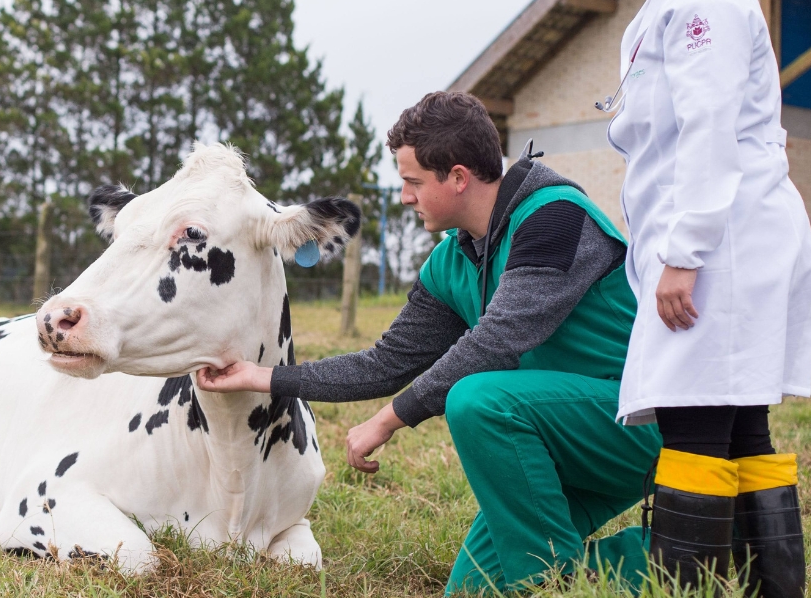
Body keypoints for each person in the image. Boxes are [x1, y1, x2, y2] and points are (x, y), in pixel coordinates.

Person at [198, 91, 662, 594]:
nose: (404, 196)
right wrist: (262, 377)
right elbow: (385, 364)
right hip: (553, 436)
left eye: (412, 181)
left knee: (479, 401)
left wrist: (389, 418)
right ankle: (676, 559)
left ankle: (558, 585)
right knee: (471, 590)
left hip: (632, 423)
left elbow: (499, 341)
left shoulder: (555, 217)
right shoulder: (452, 261)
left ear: (458, 177)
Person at [572, 0, 811, 597]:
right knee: (740, 429)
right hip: (721, 247)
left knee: (696, 428)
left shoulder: (705, 3)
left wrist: (683, 256)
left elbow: (709, 133)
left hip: (723, 253)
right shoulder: (679, 7)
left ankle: (689, 591)